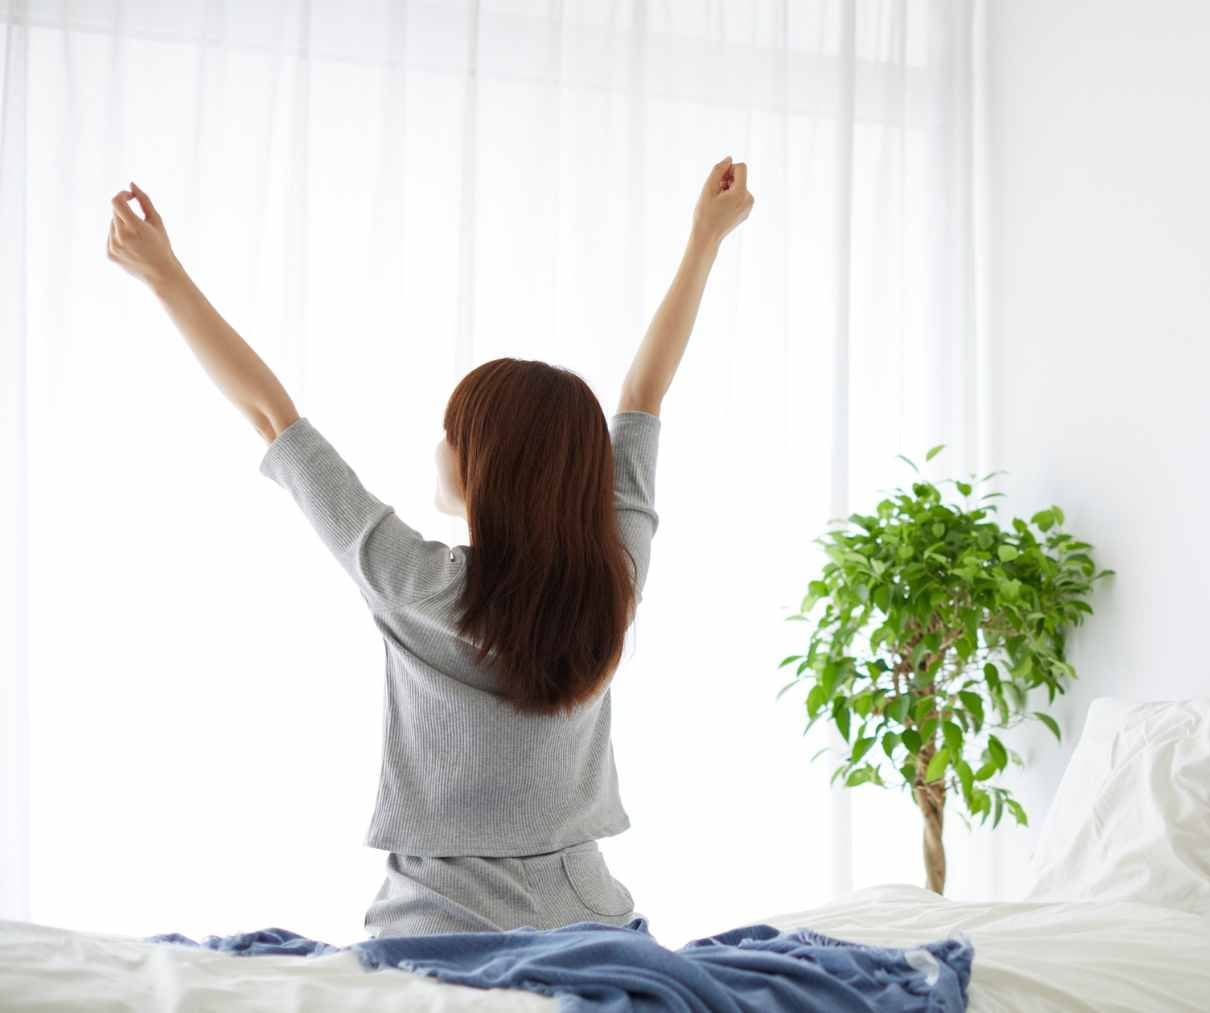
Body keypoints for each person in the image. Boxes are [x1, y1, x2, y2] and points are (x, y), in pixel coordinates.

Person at [104, 157, 755, 936]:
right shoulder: (613, 576)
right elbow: (645, 395)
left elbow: (272, 415)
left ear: (486, 468)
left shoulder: (414, 582)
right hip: (594, 923)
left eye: (455, 434)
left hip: (441, 930)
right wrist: (704, 241)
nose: (440, 446)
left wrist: (166, 277)